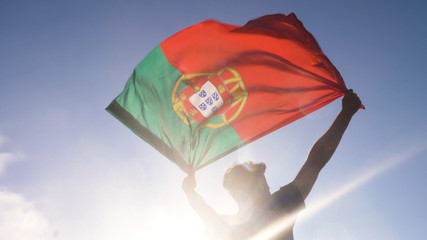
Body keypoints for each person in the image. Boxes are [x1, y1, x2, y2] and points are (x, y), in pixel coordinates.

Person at [182, 90, 362, 240]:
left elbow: (315, 162)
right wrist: (190, 192)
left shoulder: (281, 203)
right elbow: (204, 211)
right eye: (257, 183)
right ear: (238, 193)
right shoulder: (232, 225)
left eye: (264, 181)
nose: (266, 187)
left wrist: (345, 114)